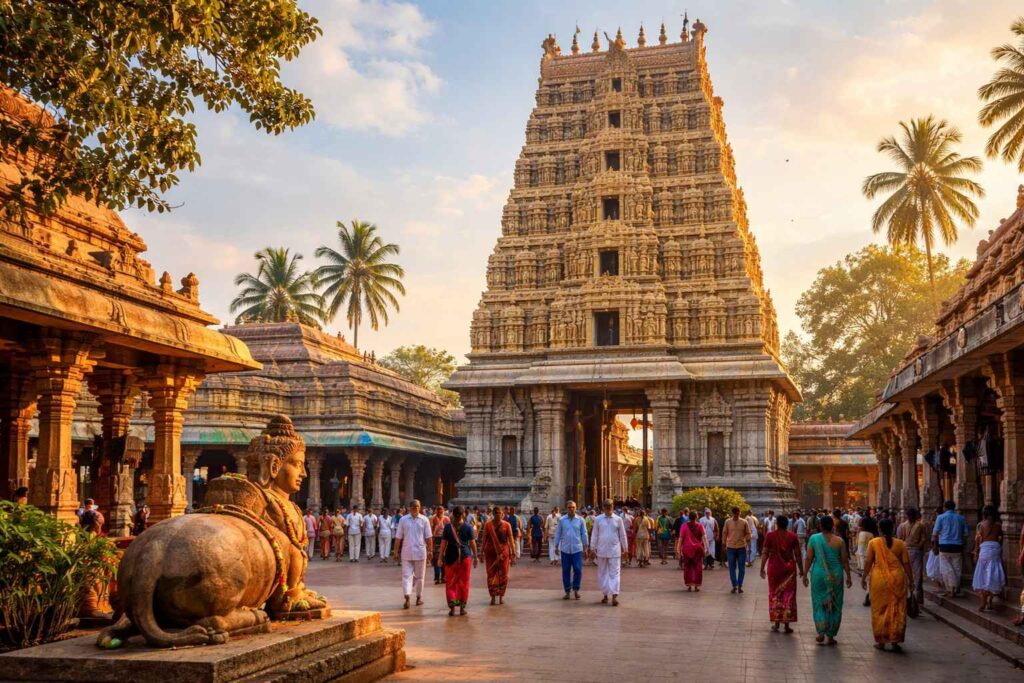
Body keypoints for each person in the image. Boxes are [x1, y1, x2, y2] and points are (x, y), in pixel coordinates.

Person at [862, 518, 913, 652]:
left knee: (879, 609)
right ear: (893, 528)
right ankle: (895, 640)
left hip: (879, 579)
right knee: (897, 609)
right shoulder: (900, 544)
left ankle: (881, 641)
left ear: (879, 529)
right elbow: (906, 564)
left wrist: (863, 577)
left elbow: (868, 562)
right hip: (898, 578)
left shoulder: (874, 543)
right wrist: (911, 580)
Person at [804, 515, 852, 645]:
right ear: (833, 526)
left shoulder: (814, 539)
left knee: (819, 602)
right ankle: (830, 636)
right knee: (835, 604)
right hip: (836, 575)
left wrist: (804, 574)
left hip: (819, 575)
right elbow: (844, 560)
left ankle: (821, 632)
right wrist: (849, 576)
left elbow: (809, 558)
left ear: (820, 526)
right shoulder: (840, 541)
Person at [760, 515, 803, 633]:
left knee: (775, 594)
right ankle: (787, 624)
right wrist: (802, 570)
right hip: (789, 570)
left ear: (777, 524)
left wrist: (761, 568)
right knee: (789, 595)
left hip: (774, 569)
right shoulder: (793, 536)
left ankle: (777, 622)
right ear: (787, 524)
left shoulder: (770, 535)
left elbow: (765, 553)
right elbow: (798, 554)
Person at [438, 506, 478, 616]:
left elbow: (443, 543)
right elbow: (473, 543)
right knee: (463, 583)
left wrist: (440, 557)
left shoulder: (447, 527)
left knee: (451, 583)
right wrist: (475, 557)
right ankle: (461, 608)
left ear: (452, 514)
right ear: (463, 514)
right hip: (465, 557)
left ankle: (452, 608)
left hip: (450, 557)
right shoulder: (468, 527)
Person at [394, 499, 433, 609]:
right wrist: (396, 551)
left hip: (420, 552)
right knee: (407, 576)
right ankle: (408, 597)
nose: (415, 508)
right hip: (407, 552)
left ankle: (417, 597)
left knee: (418, 576)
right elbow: (398, 537)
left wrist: (430, 550)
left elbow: (429, 537)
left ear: (420, 507)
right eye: (414, 507)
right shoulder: (403, 520)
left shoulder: (424, 520)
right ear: (409, 508)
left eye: (417, 506)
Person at [590, 499, 628, 606]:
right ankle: (605, 594)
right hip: (601, 550)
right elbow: (595, 534)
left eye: (610, 505)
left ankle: (614, 595)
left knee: (615, 573)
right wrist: (592, 548)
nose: (609, 507)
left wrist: (625, 548)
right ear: (603, 507)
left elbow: (622, 535)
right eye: (606, 506)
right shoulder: (598, 519)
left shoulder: (618, 519)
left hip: (615, 550)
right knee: (602, 573)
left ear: (613, 506)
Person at [931, 500, 969, 597]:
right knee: (956, 568)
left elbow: (935, 534)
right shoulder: (961, 518)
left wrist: (935, 546)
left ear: (945, 507)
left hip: (944, 546)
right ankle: (954, 588)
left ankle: (950, 589)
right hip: (957, 546)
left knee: (946, 568)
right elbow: (965, 535)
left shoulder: (940, 517)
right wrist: (964, 546)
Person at [972, 505, 1005, 612]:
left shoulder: (981, 525)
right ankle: (989, 601)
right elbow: (1000, 538)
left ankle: (983, 601)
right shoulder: (998, 525)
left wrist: (976, 552)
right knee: (992, 576)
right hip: (995, 550)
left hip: (985, 550)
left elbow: (978, 539)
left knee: (982, 576)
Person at [480, 505, 516, 605]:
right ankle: (492, 596)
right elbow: (484, 539)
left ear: (502, 514)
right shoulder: (488, 525)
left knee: (503, 574)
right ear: (493, 514)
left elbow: (511, 539)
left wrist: (513, 553)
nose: (497, 515)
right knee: (491, 574)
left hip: (504, 552)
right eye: (495, 513)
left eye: (499, 513)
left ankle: (500, 596)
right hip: (490, 552)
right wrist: (481, 552)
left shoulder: (507, 525)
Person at [554, 500, 588, 600]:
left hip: (577, 549)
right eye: (569, 507)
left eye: (573, 507)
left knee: (578, 570)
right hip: (565, 549)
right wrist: (556, 546)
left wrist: (586, 547)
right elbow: (558, 533)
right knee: (566, 570)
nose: (571, 509)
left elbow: (584, 534)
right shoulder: (562, 520)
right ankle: (567, 591)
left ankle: (576, 589)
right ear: (567, 508)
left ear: (576, 508)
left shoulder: (581, 520)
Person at [899, 507, 927, 603]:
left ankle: (915, 599)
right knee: (912, 575)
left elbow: (923, 538)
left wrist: (917, 546)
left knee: (914, 575)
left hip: (912, 551)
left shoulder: (919, 525)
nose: (910, 517)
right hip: (910, 551)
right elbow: (901, 538)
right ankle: (912, 599)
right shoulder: (905, 525)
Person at [722, 507, 752, 593]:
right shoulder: (728, 522)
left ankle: (740, 585)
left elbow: (748, 533)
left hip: (741, 547)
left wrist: (748, 544)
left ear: (740, 513)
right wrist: (723, 543)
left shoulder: (744, 522)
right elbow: (724, 533)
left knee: (741, 568)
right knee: (732, 567)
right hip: (730, 547)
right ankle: (734, 585)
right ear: (733, 513)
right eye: (735, 513)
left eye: (738, 513)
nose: (737, 515)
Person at [677, 510, 707, 591]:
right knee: (698, 567)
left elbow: (681, 539)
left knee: (688, 567)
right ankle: (697, 585)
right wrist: (706, 548)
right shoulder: (700, 526)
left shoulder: (684, 526)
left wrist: (678, 549)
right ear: (697, 517)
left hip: (687, 549)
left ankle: (689, 585)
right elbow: (704, 537)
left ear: (688, 517)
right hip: (698, 549)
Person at [430, 506, 447, 584]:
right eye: (438, 510)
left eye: (441, 510)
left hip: (444, 539)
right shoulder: (433, 518)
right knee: (437, 559)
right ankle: (438, 577)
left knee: (443, 558)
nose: (440, 512)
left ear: (443, 511)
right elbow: (430, 530)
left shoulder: (446, 519)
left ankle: (443, 576)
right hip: (436, 540)